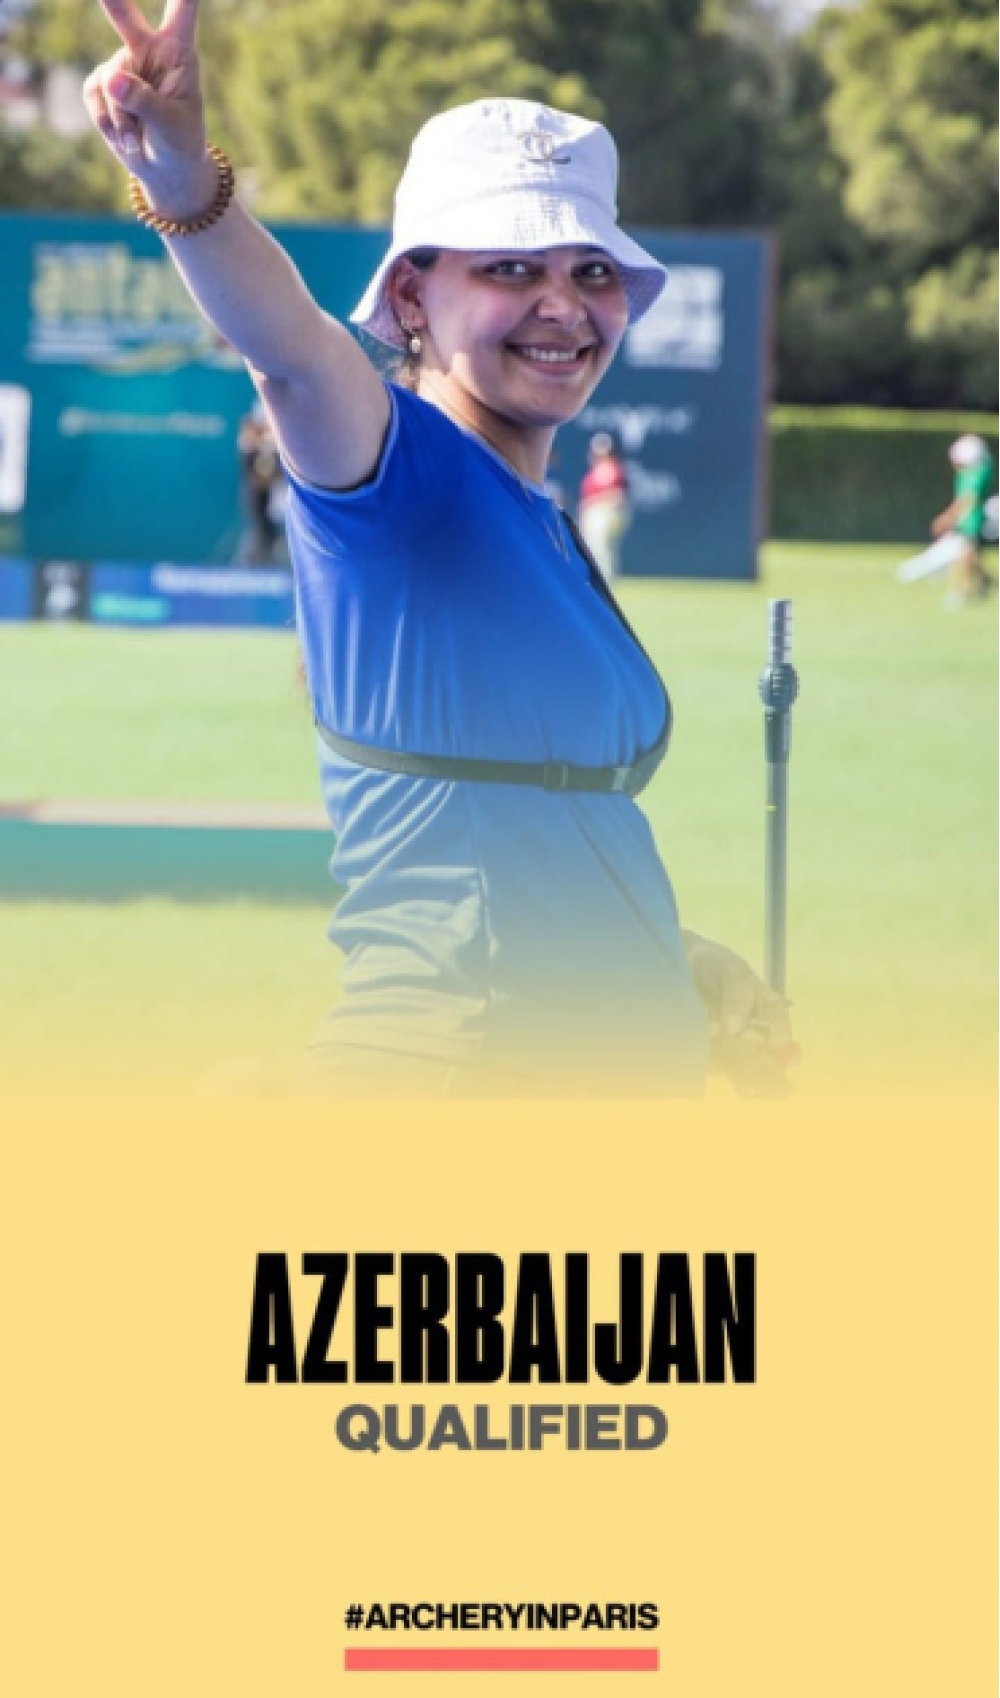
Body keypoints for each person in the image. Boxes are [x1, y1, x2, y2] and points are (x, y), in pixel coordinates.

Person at [84, 0, 794, 1097]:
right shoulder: (398, 472)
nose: (563, 305)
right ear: (412, 292)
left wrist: (677, 965)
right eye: (510, 268)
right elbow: (291, 356)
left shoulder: (540, 522)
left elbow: (536, 833)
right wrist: (185, 186)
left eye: (591, 271)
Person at [896, 434, 995, 607]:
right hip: (970, 521)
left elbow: (968, 500)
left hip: (975, 521)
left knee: (965, 557)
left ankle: (963, 591)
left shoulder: (977, 474)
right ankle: (983, 586)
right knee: (969, 558)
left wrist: (947, 518)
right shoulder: (971, 473)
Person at [578, 431, 630, 581]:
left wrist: (593, 501)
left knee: (602, 549)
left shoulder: (614, 469)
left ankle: (605, 581)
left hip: (606, 512)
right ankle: (596, 580)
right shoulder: (594, 472)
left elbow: (618, 496)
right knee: (592, 548)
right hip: (592, 513)